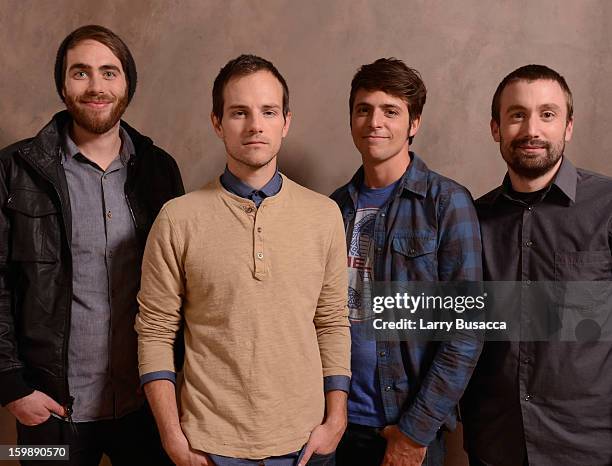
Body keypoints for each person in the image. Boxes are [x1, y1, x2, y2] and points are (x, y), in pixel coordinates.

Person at [136, 54, 351, 466]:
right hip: (210, 447)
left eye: (268, 112)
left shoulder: (323, 215)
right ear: (217, 123)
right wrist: (173, 439)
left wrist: (335, 419)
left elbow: (332, 320)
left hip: (306, 444)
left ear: (286, 122)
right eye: (239, 112)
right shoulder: (178, 218)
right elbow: (155, 332)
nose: (255, 125)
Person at [0, 24, 184, 465]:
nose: (96, 86)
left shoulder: (159, 170)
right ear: (62, 84)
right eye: (80, 73)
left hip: (147, 405)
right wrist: (12, 388)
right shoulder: (13, 170)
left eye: (109, 72)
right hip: (48, 410)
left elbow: (182, 284)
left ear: (127, 84)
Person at [330, 58, 483, 466]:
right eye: (363, 109)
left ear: (414, 123)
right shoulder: (332, 209)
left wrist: (414, 433)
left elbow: (466, 332)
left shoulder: (446, 203)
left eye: (390, 111)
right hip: (333, 423)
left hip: (404, 426)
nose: (374, 121)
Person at [462, 64, 612, 466]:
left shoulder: (607, 208)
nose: (532, 129)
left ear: (568, 127)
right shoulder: (471, 220)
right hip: (495, 443)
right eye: (517, 114)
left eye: (547, 114)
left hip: (588, 446)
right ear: (496, 128)